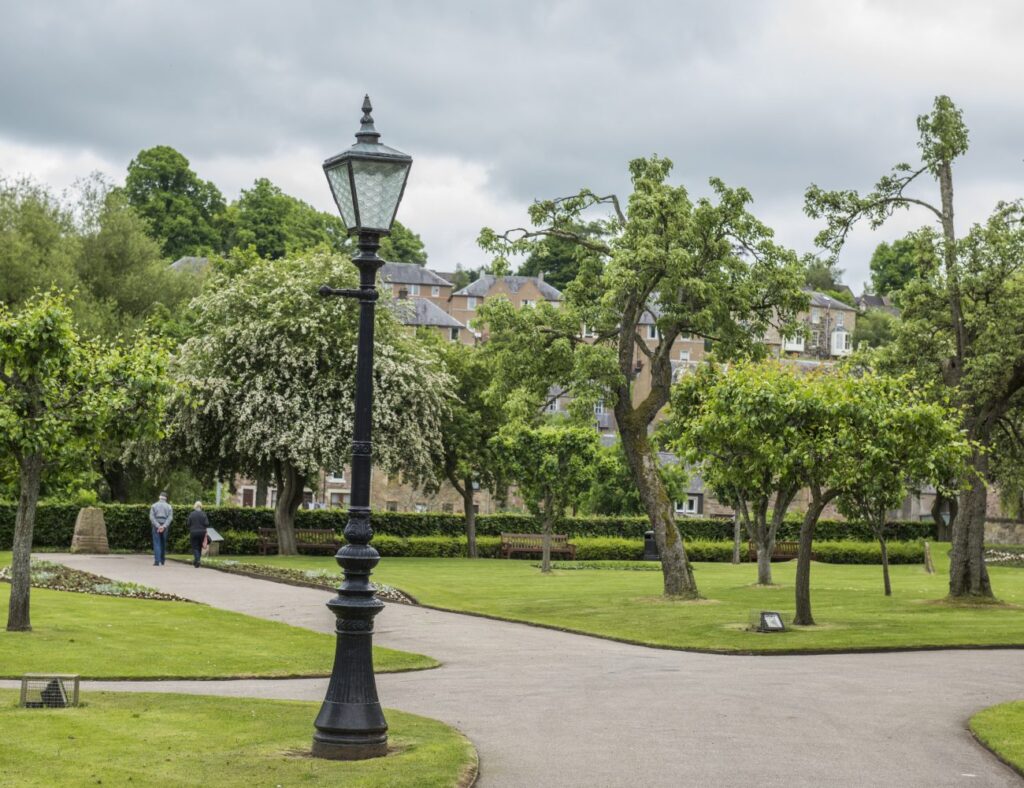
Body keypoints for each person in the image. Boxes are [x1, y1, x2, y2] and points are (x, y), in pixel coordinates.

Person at [149, 492, 173, 566]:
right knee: (163, 543)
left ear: (159, 497)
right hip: (165, 525)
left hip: (156, 526)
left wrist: (158, 526)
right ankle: (162, 560)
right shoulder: (169, 506)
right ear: (166, 498)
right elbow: (170, 517)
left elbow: (151, 517)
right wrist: (164, 526)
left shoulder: (154, 505)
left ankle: (157, 561)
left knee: (157, 543)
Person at [186, 501, 210, 568]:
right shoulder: (203, 514)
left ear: (195, 506)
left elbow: (188, 523)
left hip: (193, 532)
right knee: (199, 547)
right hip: (202, 532)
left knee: (195, 547)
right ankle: (197, 561)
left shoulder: (191, 514)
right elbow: (207, 524)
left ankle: (197, 560)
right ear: (201, 506)